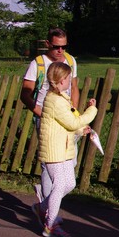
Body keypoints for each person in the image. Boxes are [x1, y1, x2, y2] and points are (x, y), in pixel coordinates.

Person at [21, 28, 79, 226]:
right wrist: (41, 113)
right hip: (46, 121)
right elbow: (26, 94)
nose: (60, 51)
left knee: (70, 162)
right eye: (56, 47)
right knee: (50, 164)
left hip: (66, 120)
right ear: (48, 44)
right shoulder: (38, 64)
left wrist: (74, 112)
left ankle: (44, 206)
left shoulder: (70, 61)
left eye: (64, 46)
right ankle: (48, 212)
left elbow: (74, 87)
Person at [35, 62, 97, 237]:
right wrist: (91, 110)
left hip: (65, 149)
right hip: (54, 151)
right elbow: (72, 122)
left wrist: (81, 130)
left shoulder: (62, 98)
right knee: (60, 185)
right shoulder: (55, 101)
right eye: (69, 78)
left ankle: (42, 208)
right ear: (62, 80)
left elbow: (66, 123)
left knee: (70, 183)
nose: (71, 81)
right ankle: (50, 225)